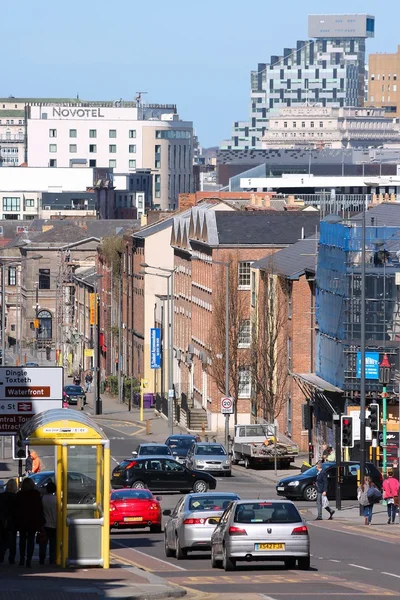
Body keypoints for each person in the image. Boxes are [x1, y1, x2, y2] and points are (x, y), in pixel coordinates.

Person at [15, 478, 44, 567]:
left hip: (22, 520)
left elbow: (16, 509)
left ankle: (22, 559)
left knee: (22, 540)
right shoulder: (36, 494)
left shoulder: (19, 494)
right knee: (31, 540)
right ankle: (29, 560)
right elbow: (39, 509)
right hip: (32, 521)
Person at [0, 479, 18, 565]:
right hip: (12, 521)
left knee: (3, 539)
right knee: (12, 540)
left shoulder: (1, 496)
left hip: (2, 520)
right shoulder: (16, 497)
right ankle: (11, 558)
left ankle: (1, 555)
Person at [39, 482, 57, 565]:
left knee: (43, 542)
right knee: (53, 543)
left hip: (45, 523)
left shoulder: (42, 498)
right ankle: (52, 559)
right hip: (54, 523)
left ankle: (42, 559)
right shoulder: (56, 499)